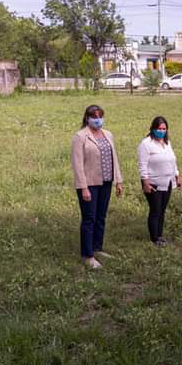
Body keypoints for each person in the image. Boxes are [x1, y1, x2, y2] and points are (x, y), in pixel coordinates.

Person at [70, 105, 123, 269]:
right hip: (89, 184)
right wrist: (83, 187)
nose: (98, 119)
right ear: (87, 118)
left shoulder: (108, 134)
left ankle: (97, 248)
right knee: (89, 218)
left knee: (101, 217)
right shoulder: (80, 137)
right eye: (94, 116)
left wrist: (118, 181)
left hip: (106, 182)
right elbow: (77, 165)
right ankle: (88, 255)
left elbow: (114, 158)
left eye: (100, 116)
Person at [138, 116, 182, 247]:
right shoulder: (146, 144)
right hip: (153, 182)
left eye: (164, 129)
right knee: (155, 210)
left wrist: (177, 175)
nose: (161, 131)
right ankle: (154, 238)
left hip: (167, 181)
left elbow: (172, 161)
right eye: (159, 128)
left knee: (162, 209)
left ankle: (160, 235)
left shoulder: (167, 142)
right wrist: (145, 182)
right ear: (152, 128)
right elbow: (142, 165)